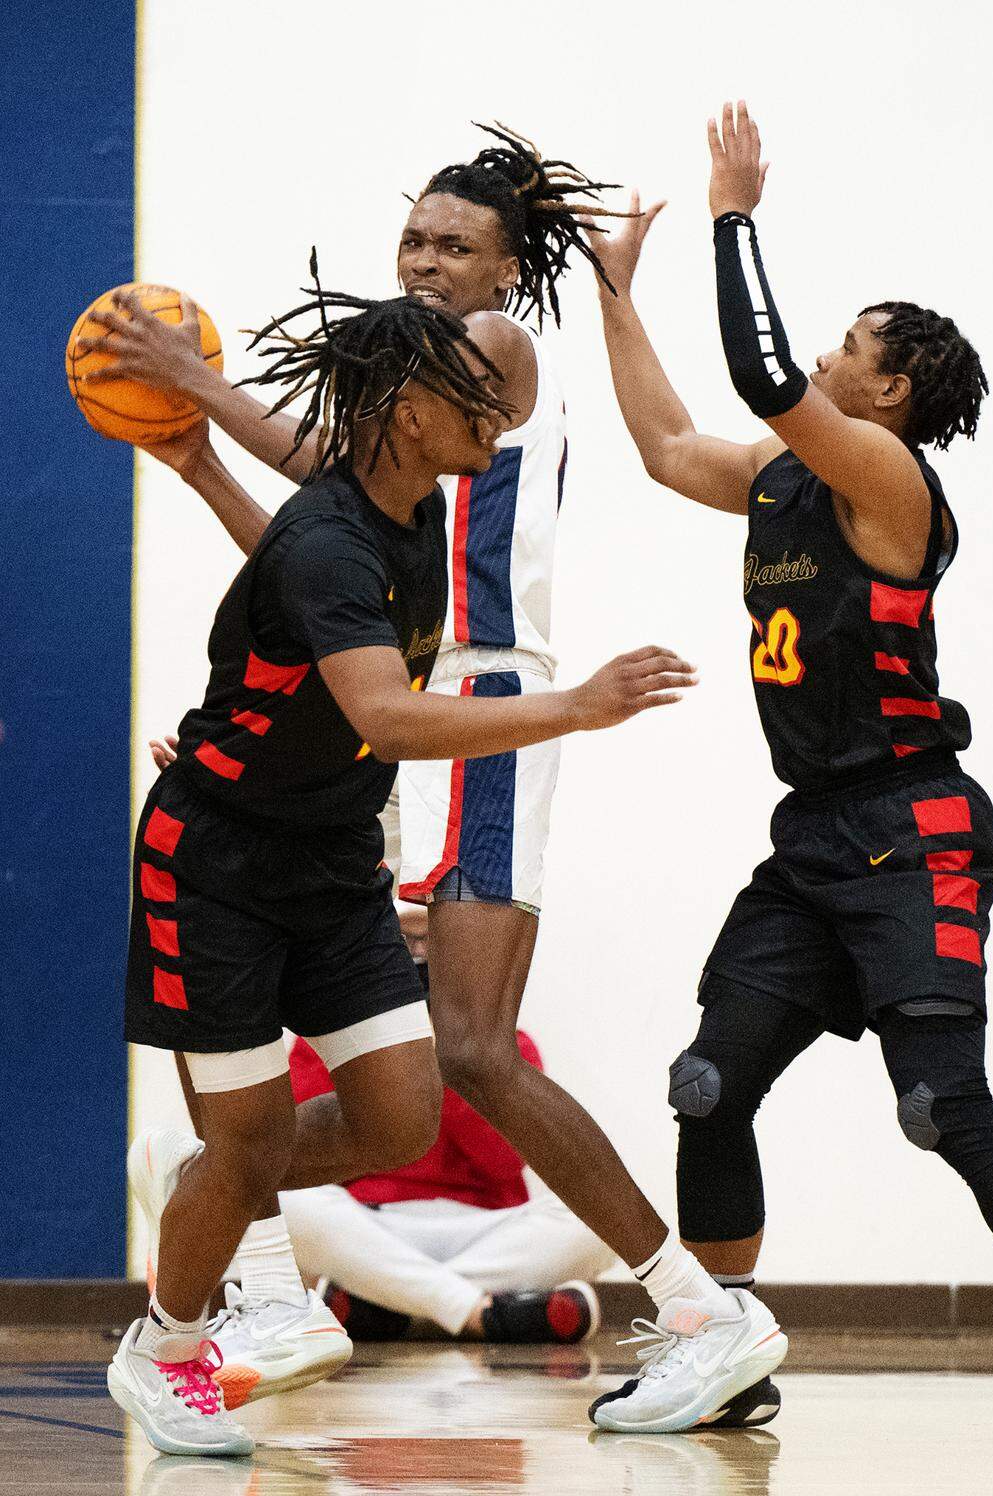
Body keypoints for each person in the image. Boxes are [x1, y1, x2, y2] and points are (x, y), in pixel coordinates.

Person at [90, 126, 791, 1435]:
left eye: (454, 243)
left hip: (472, 700)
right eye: (411, 236)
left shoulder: (492, 353)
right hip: (395, 709)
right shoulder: (394, 456)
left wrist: (199, 384)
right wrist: (260, 725)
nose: (422, 259)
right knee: (378, 1053)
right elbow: (317, 550)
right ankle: (252, 1262)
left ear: (509, 269)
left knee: (468, 1044)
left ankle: (694, 1306)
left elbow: (323, 478)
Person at [582, 100, 993, 1445]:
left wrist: (732, 216)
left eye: (851, 345)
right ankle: (726, 1350)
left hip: (916, 827)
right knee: (709, 1082)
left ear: (888, 392)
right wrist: (615, 294)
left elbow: (766, 373)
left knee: (939, 1106)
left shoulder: (887, 479)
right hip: (816, 837)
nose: (828, 355)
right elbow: (667, 448)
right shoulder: (785, 477)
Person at [284, 1029, 615, 1343]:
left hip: (486, 1233)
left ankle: (391, 1301)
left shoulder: (506, 1044)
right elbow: (308, 1154)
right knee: (288, 1202)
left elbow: (504, 1161)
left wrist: (447, 1057)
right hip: (374, 1227)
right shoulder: (325, 1037)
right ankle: (484, 1313)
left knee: (601, 1219)